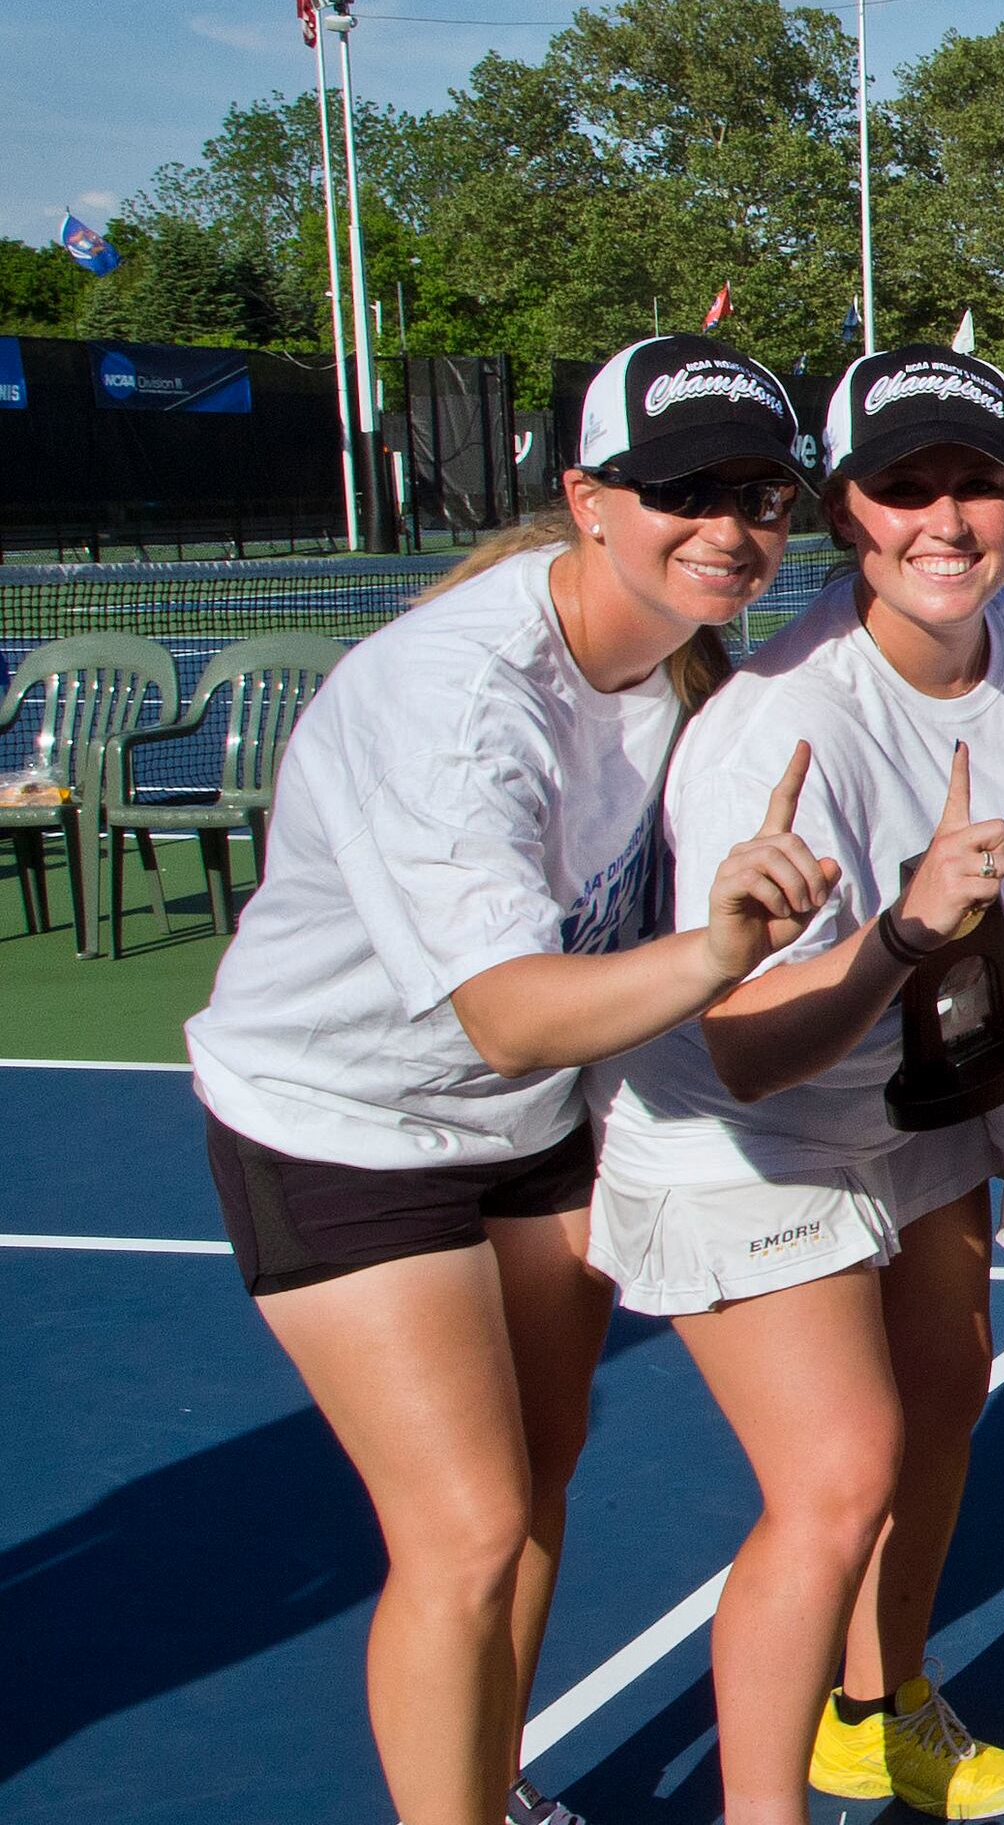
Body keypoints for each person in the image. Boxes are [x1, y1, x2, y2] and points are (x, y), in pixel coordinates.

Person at [185, 335, 820, 1825]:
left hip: (532, 1128)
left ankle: (488, 1784)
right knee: (464, 1531)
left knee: (536, 1482)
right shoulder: (456, 698)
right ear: (590, 499)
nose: (728, 525)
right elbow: (509, 1016)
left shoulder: (677, 665)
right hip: (344, 1125)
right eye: (682, 490)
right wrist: (722, 951)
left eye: (758, 490)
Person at [582, 347, 1004, 1825]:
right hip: (744, 1131)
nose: (943, 521)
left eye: (972, 484)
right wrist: (905, 931)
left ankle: (883, 1705)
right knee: (838, 1473)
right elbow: (740, 1037)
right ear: (847, 515)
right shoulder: (775, 732)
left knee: (944, 1402)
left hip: (905, 1106)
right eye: (901, 487)